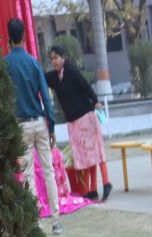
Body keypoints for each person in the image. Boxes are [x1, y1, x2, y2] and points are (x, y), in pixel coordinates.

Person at [4, 18, 61, 235]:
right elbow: (46, 97)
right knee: (48, 171)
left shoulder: (5, 64)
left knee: (28, 175)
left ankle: (35, 223)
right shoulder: (33, 62)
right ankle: (56, 220)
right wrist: (51, 126)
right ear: (25, 36)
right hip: (39, 123)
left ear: (9, 38)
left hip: (21, 126)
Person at [46, 43, 111, 201]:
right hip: (73, 123)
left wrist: (95, 100)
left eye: (56, 58)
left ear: (63, 58)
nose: (54, 61)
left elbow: (85, 85)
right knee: (87, 156)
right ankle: (93, 189)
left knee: (96, 151)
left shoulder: (71, 71)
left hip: (86, 117)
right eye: (52, 59)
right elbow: (42, 77)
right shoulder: (55, 77)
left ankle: (106, 182)